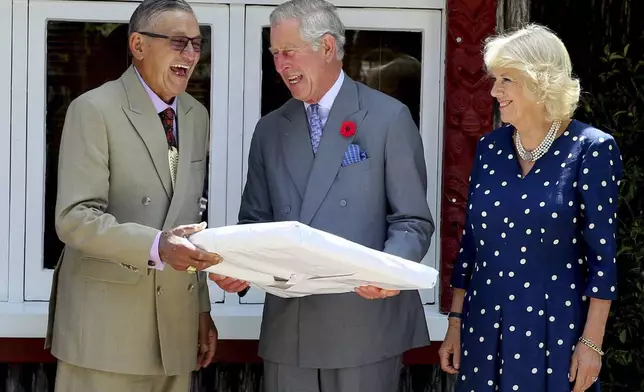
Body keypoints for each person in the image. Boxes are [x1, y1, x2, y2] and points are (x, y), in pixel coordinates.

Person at [210, 0, 435, 390]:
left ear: (328, 48)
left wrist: (390, 271)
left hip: (365, 321)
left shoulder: (388, 118)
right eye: (275, 54)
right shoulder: (270, 129)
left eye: (289, 52)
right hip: (290, 329)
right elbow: (254, 223)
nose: (280, 65)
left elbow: (411, 220)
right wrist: (239, 270)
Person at [45, 1, 222, 391]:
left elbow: (188, 220)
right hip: (106, 333)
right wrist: (157, 245)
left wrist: (201, 309)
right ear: (139, 45)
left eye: (196, 44)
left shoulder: (195, 114)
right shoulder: (93, 109)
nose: (190, 55)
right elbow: (74, 218)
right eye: (179, 42)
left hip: (176, 329)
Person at [438, 24, 622, 392]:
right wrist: (455, 322)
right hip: (484, 327)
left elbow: (603, 261)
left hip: (554, 331)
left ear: (543, 82)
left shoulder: (592, 149)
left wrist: (591, 344)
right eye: (494, 79)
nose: (494, 91)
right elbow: (470, 247)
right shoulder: (490, 149)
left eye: (507, 79)